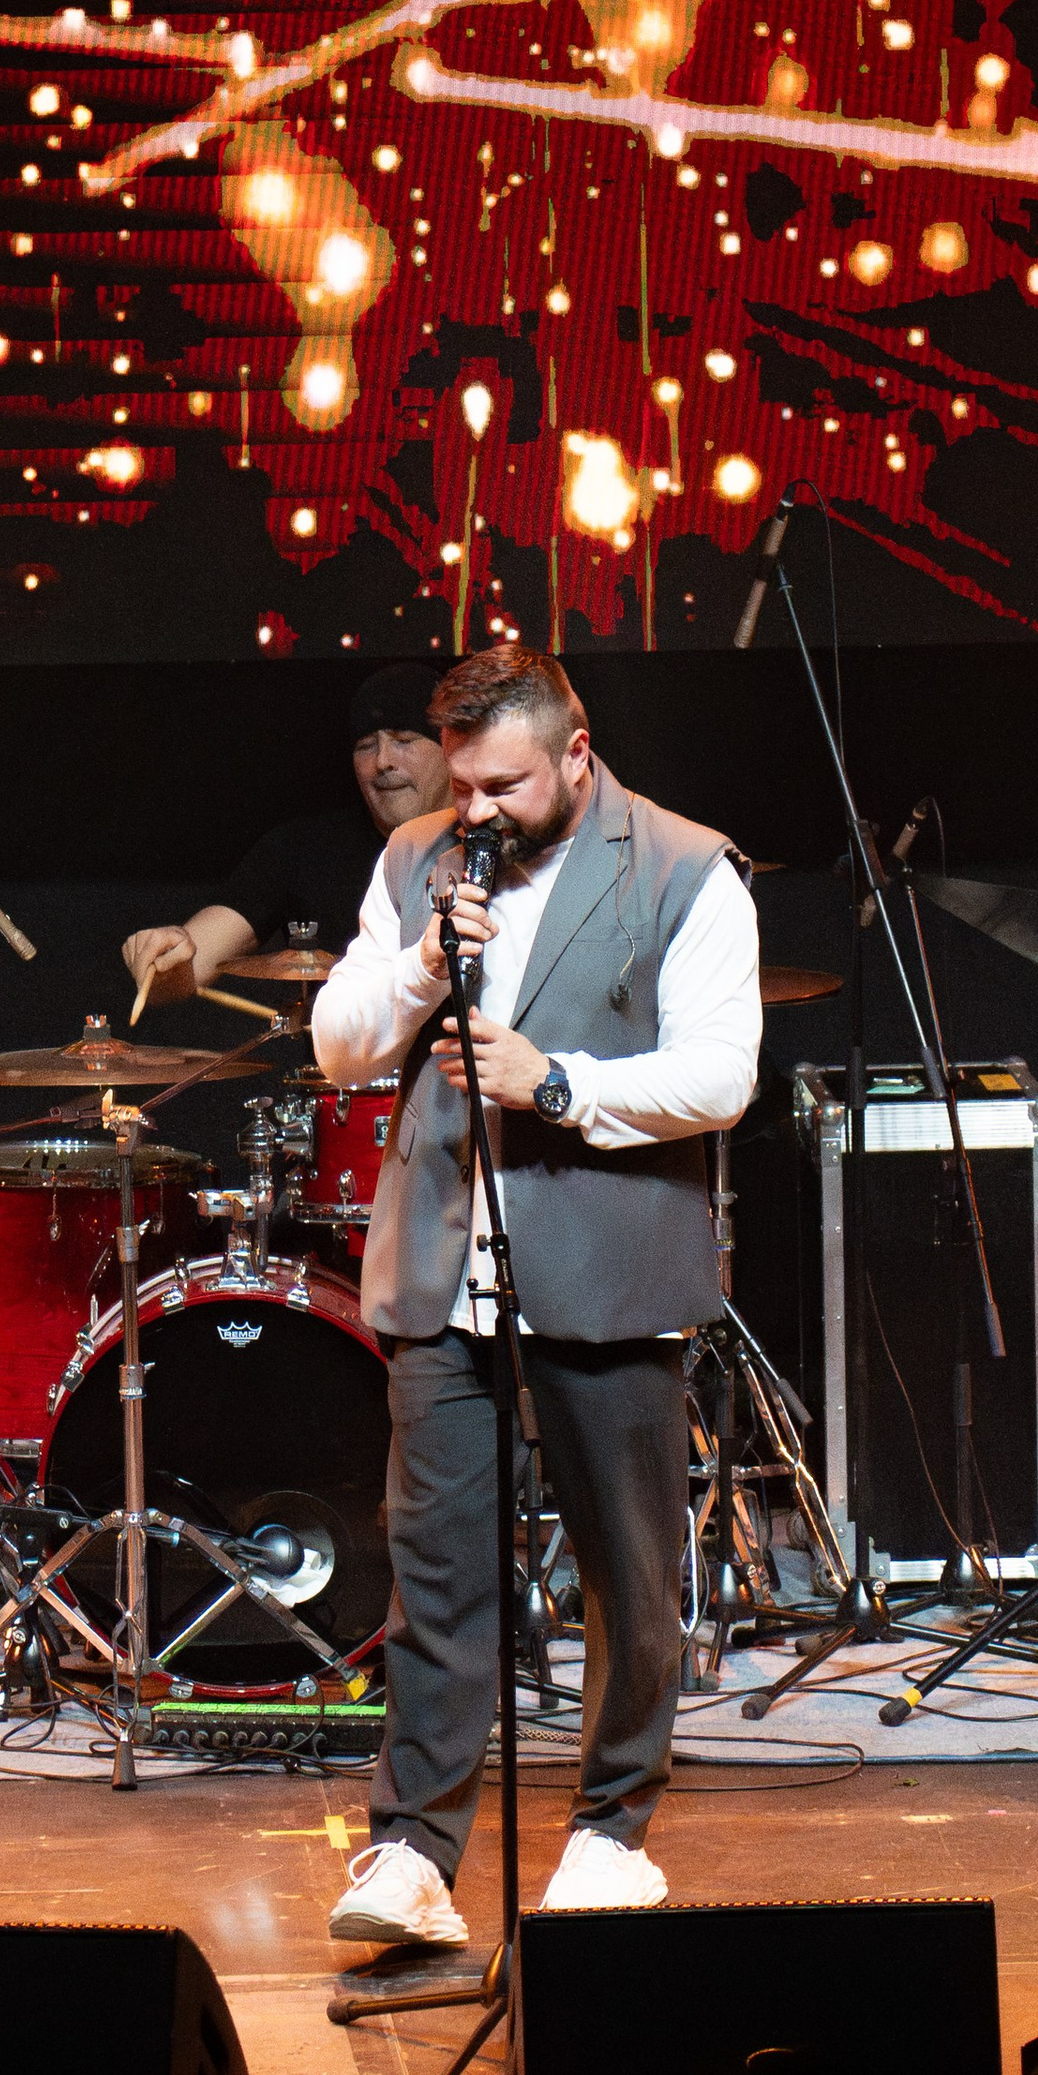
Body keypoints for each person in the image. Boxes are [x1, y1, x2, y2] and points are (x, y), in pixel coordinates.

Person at [309, 642, 761, 1935]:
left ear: (574, 755)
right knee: (438, 1569)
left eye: (503, 784)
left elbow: (721, 1073)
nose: (479, 810)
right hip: (446, 1265)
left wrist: (564, 1087)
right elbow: (338, 1041)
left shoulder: (684, 867)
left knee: (628, 1567)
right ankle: (415, 1853)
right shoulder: (420, 865)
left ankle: (615, 1827)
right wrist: (418, 973)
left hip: (608, 1262)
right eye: (464, 786)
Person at [118, 660, 451, 1011]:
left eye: (403, 740)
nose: (382, 761)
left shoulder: (490, 846)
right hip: (344, 1066)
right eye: (366, 745)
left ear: (448, 749)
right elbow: (177, 978)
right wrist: (165, 959)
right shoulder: (302, 849)